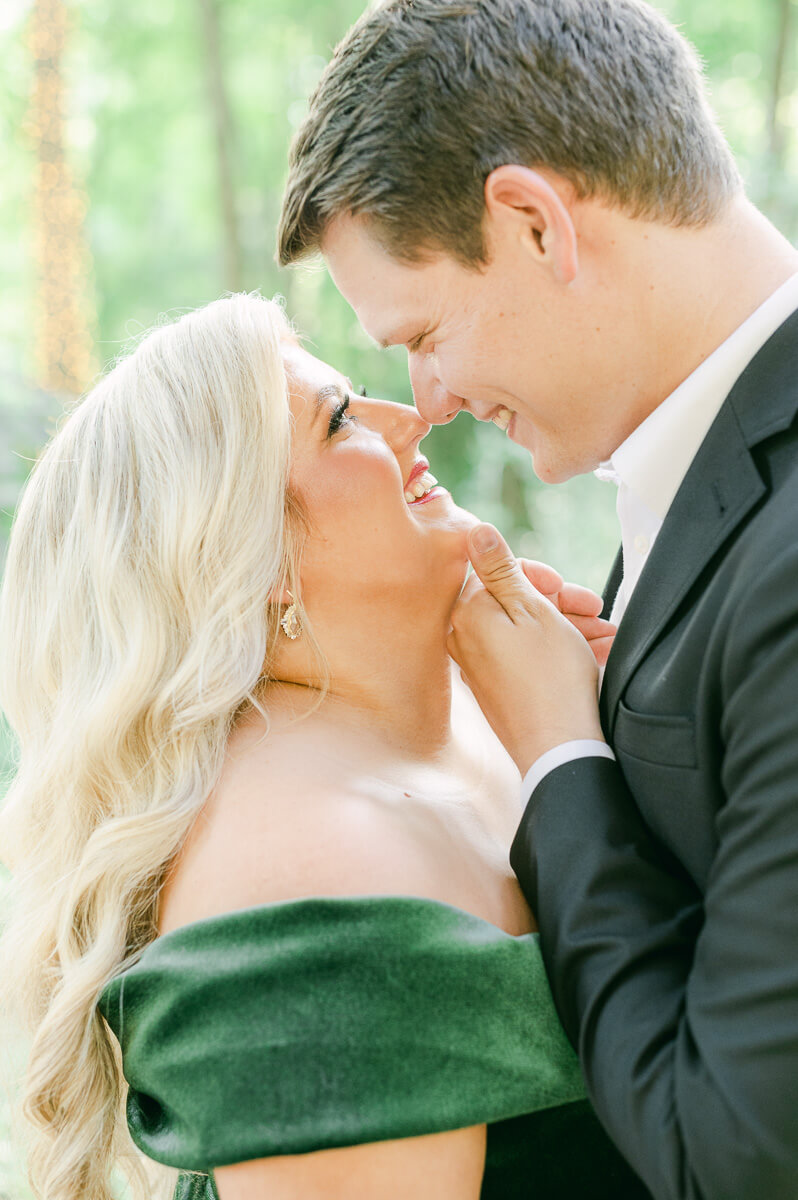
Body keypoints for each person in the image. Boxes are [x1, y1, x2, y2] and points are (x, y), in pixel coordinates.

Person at [276, 0, 798, 1197]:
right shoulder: (699, 484)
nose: (433, 396)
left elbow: (742, 1159)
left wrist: (562, 753)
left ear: (532, 222)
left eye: (426, 332)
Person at [0, 293, 647, 1200]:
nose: (410, 417)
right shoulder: (300, 867)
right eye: (340, 420)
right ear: (253, 557)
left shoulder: (493, 717)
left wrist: (590, 725)